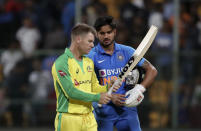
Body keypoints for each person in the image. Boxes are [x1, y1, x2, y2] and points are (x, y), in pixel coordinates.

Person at [87, 16, 158, 131]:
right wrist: (110, 98)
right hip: (103, 113)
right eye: (102, 33)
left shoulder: (127, 51)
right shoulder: (91, 56)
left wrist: (140, 89)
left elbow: (152, 70)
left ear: (114, 32)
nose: (106, 36)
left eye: (109, 32)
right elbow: (85, 86)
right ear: (96, 34)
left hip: (127, 110)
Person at [51, 23, 120, 131]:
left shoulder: (88, 62)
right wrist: (97, 98)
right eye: (90, 41)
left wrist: (107, 87)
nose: (93, 45)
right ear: (78, 39)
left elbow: (93, 87)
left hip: (89, 118)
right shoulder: (61, 63)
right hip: (69, 119)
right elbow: (71, 92)